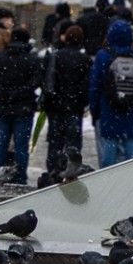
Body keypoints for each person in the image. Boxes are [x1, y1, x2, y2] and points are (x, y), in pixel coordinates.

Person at [0, 27, 42, 182]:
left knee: (0, 144)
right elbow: (36, 81)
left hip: (2, 107)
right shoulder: (32, 59)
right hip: (24, 108)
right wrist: (22, 92)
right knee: (21, 146)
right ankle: (20, 177)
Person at [88, 18, 133, 167]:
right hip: (132, 115)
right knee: (131, 161)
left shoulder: (103, 57)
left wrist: (95, 112)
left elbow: (94, 88)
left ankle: (110, 188)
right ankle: (129, 187)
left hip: (108, 113)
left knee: (108, 163)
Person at [38, 25, 90, 180]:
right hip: (74, 108)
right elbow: (86, 85)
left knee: (54, 142)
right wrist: (81, 101)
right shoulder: (84, 60)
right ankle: (71, 171)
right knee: (73, 144)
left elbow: (47, 80)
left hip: (56, 107)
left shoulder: (56, 56)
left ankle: (54, 172)